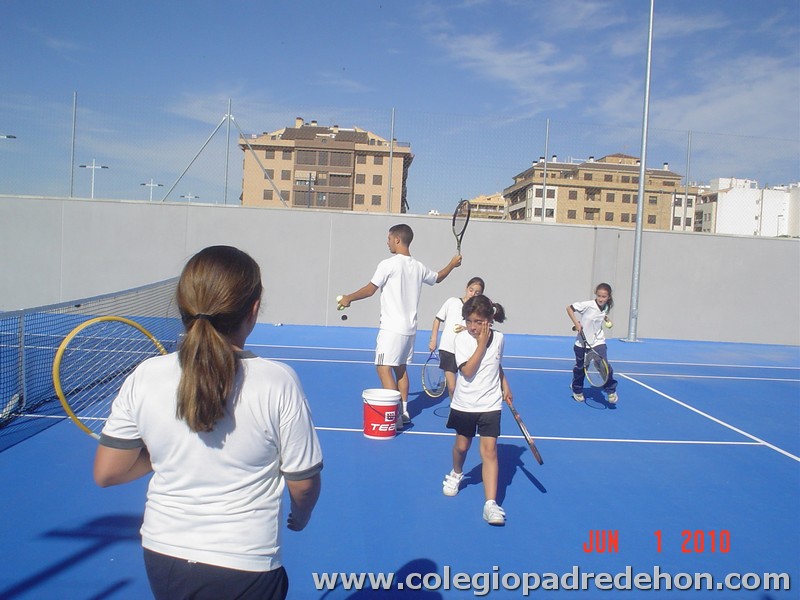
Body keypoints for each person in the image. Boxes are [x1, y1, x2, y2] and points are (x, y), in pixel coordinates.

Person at [93, 245, 322, 600]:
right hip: (247, 562)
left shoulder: (145, 376)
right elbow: (303, 485)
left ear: (182, 306)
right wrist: (302, 517)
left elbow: (108, 472)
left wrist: (162, 454)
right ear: (254, 310)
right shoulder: (278, 381)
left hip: (162, 554)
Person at [338, 224, 461, 428]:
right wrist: (452, 263)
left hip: (391, 329)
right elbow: (438, 277)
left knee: (383, 368)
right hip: (409, 330)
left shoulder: (387, 264)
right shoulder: (418, 267)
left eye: (388, 239)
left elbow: (370, 290)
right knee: (401, 370)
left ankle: (393, 414)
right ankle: (404, 412)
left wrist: (348, 297)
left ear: (397, 240)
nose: (387, 242)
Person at [441, 294, 511, 526]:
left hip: (490, 404)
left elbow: (495, 361)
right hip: (465, 404)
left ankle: (490, 504)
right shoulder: (461, 339)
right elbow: (468, 371)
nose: (472, 326)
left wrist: (504, 383)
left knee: (489, 452)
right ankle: (457, 472)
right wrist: (481, 343)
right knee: (462, 446)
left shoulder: (500, 338)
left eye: (478, 322)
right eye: (469, 321)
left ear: (489, 320)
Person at [429, 277, 485, 398]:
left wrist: (466, 329)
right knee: (452, 387)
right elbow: (437, 320)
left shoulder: (477, 311)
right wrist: (433, 339)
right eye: (471, 290)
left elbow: (480, 330)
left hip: (466, 352)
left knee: (467, 387)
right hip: (447, 350)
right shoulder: (452, 302)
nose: (473, 294)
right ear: (466, 288)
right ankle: (454, 412)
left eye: (477, 293)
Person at [566, 282, 618, 404]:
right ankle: (577, 390)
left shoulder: (605, 306)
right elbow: (569, 308)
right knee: (580, 368)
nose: (600, 299)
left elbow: (601, 314)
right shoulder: (587, 305)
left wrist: (606, 319)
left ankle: (611, 390)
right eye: (599, 296)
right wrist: (576, 323)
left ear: (608, 297)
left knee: (604, 365)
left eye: (604, 297)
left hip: (598, 341)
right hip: (582, 342)